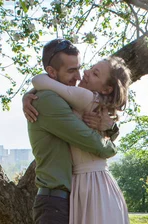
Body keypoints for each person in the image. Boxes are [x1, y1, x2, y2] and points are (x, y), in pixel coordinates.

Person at [25, 39, 121, 224]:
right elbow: (95, 145)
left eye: (79, 68)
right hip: (55, 202)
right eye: (71, 71)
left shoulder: (64, 98)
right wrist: (111, 147)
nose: (78, 76)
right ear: (52, 72)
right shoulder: (48, 101)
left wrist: (111, 127)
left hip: (68, 198)